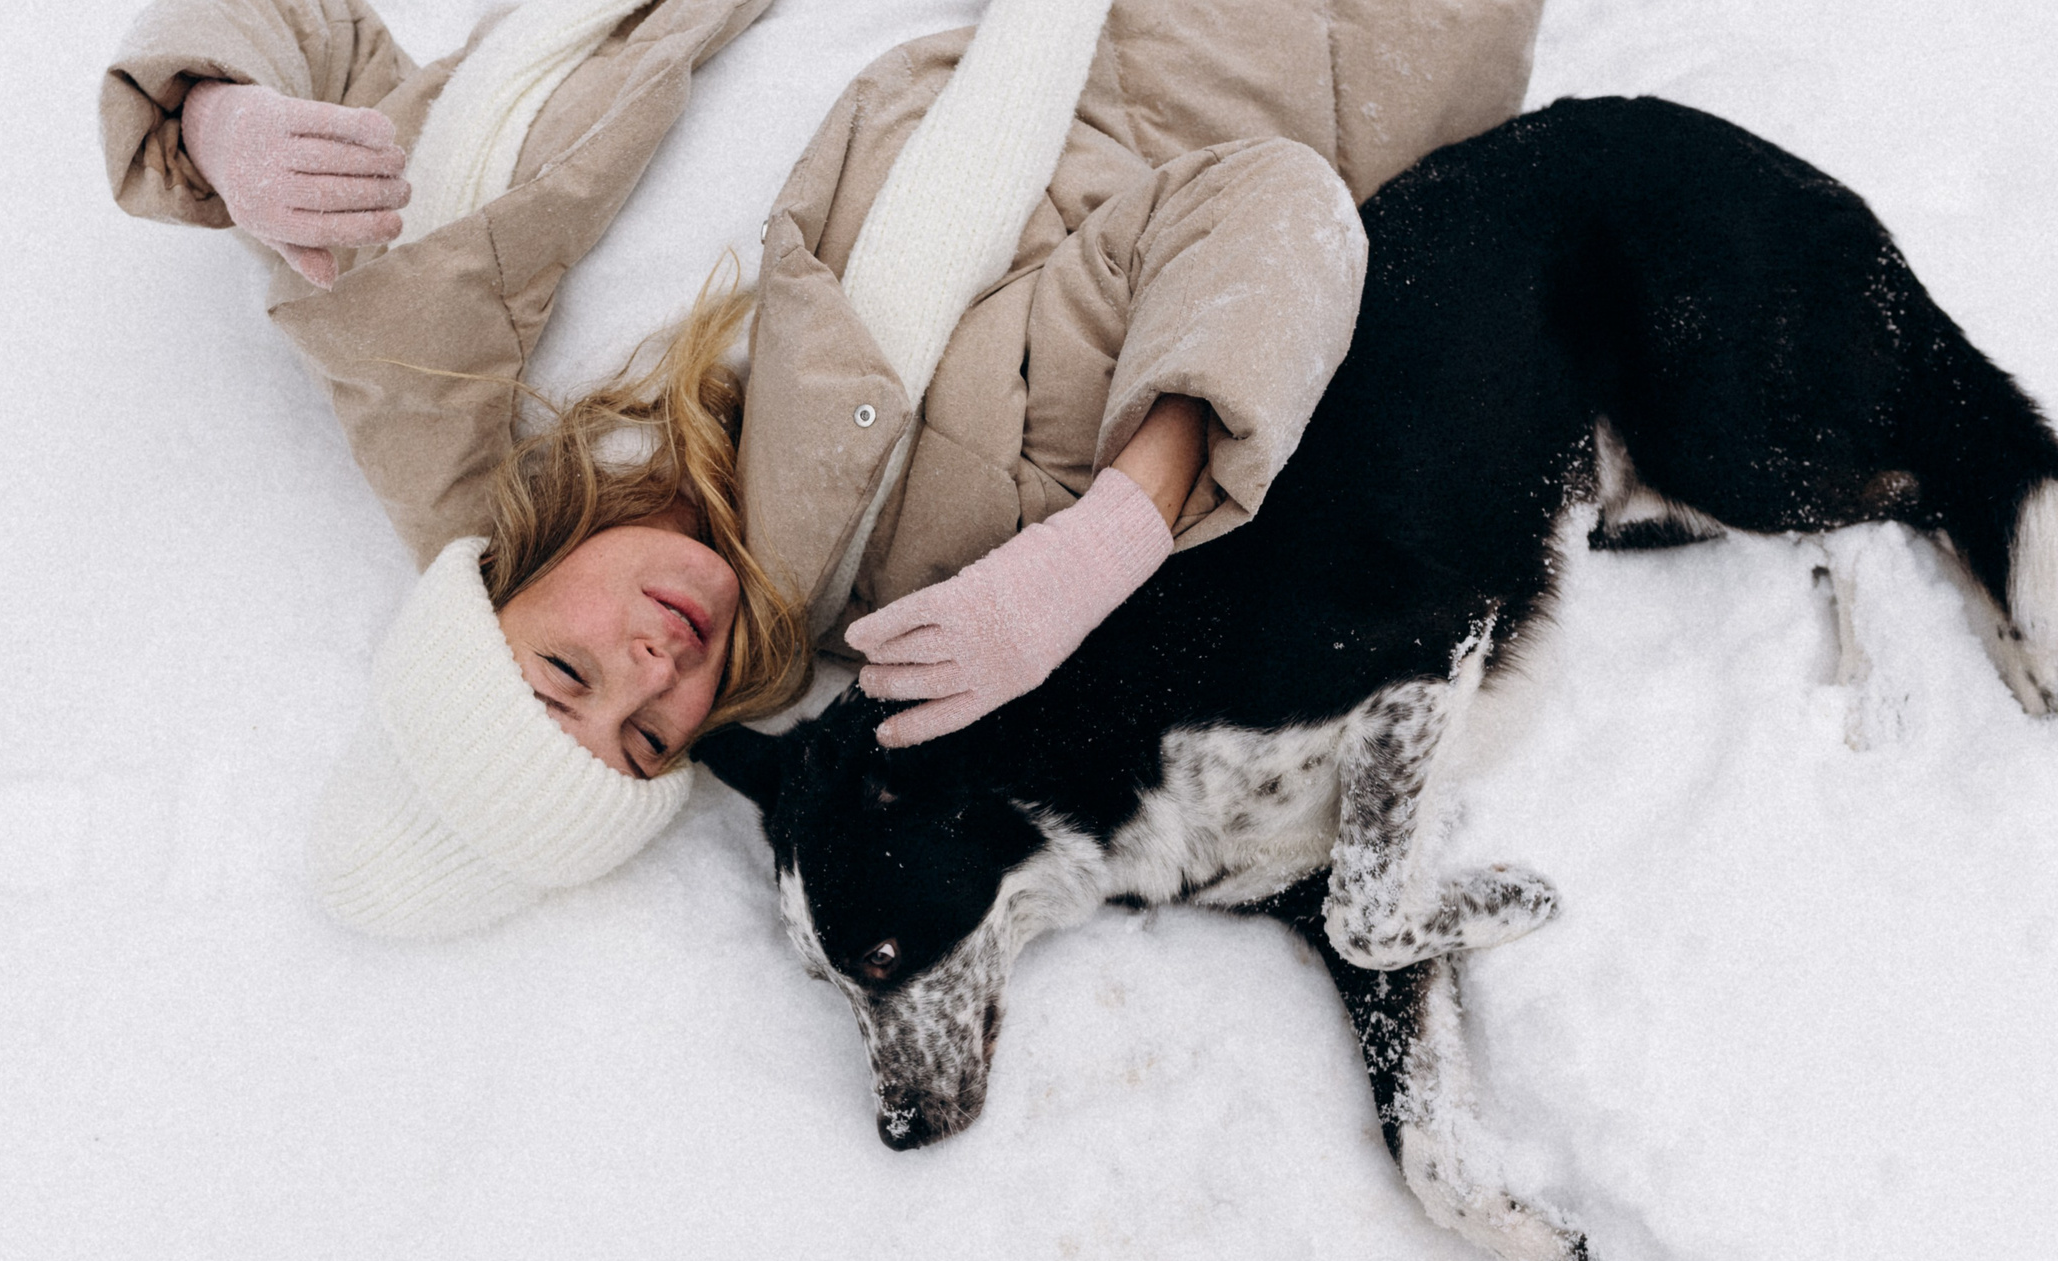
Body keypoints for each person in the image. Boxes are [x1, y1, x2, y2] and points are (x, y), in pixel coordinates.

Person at [100, 0, 1544, 935]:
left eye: (566, 676)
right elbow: (1271, 212)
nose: (657, 669)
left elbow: (299, 36)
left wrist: (219, 122)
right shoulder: (927, 542)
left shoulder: (427, 323)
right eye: (653, 740)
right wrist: (1117, 530)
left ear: (492, 599)